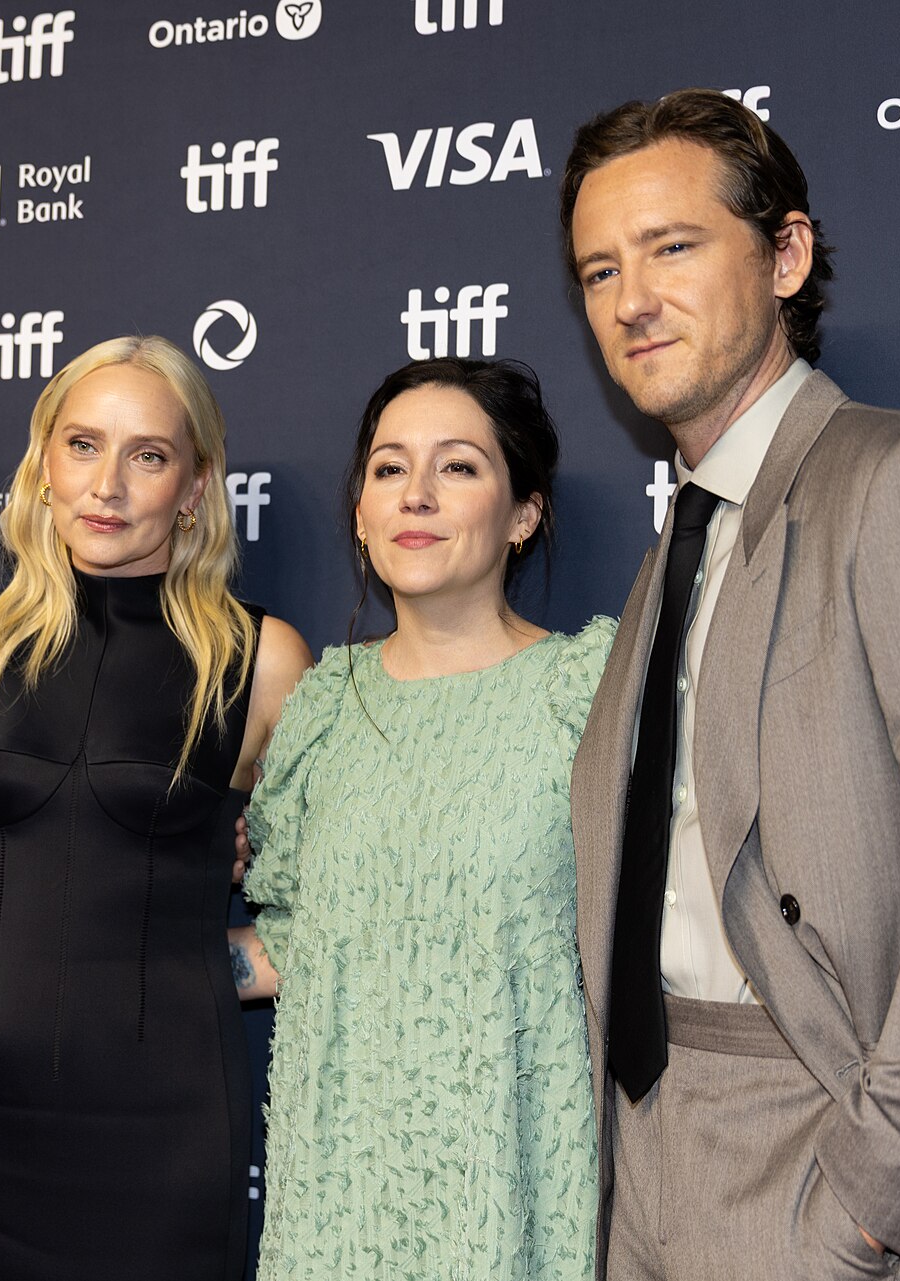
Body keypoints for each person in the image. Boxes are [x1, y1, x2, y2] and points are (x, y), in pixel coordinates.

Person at [560, 88, 900, 1280]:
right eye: (599, 271)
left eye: (673, 247)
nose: (633, 300)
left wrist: (871, 1203)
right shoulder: (675, 555)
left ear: (786, 255)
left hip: (849, 1166)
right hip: (654, 1159)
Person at [0, 336, 309, 1281]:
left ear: (196, 486)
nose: (107, 484)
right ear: (43, 463)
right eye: (82, 445)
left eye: (148, 455)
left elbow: (331, 898)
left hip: (161, 1117)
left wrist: (212, 968)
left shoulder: (260, 660)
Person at [233, 357, 611, 1280]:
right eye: (391, 468)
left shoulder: (587, 692)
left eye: (460, 467)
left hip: (518, 1185)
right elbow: (288, 944)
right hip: (337, 1194)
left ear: (524, 514)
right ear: (360, 513)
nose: (418, 495)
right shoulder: (322, 706)